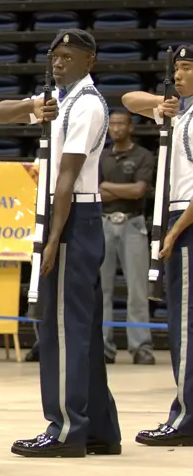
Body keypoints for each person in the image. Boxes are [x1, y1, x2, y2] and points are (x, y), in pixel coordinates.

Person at [0, 28, 121, 458]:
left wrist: (53, 239)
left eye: (68, 57)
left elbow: (66, 178)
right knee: (81, 329)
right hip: (68, 215)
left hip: (72, 216)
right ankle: (99, 429)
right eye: (55, 57)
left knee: (62, 328)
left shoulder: (85, 104)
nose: (58, 63)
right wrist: (32, 107)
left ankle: (65, 428)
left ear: (89, 62)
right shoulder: (59, 100)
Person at [122, 44, 193, 446]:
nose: (178, 74)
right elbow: (128, 99)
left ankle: (185, 418)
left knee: (185, 325)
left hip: (185, 219)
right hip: (178, 216)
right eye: (176, 67)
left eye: (187, 67)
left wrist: (174, 230)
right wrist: (160, 103)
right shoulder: (178, 112)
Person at [98, 111, 156, 364]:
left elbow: (138, 190)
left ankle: (141, 346)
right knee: (102, 289)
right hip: (104, 222)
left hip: (133, 223)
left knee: (137, 289)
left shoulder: (143, 155)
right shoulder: (101, 156)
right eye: (112, 124)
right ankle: (103, 346)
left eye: (121, 124)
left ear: (130, 127)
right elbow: (95, 191)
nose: (116, 129)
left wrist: (108, 188)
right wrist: (121, 190)